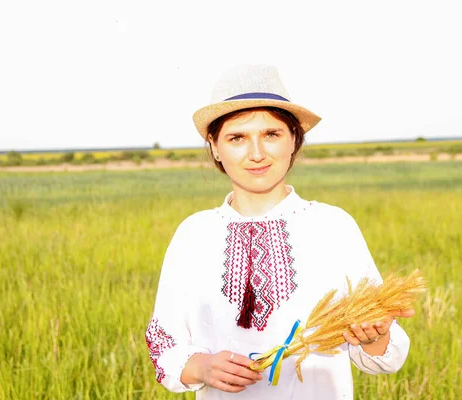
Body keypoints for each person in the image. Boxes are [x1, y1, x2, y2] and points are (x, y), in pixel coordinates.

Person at [145, 64, 414, 399]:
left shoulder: (334, 226)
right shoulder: (193, 235)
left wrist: (374, 336)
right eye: (237, 138)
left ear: (294, 141)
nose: (256, 154)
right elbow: (163, 346)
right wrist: (202, 366)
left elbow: (383, 356)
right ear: (215, 147)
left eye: (271, 134)